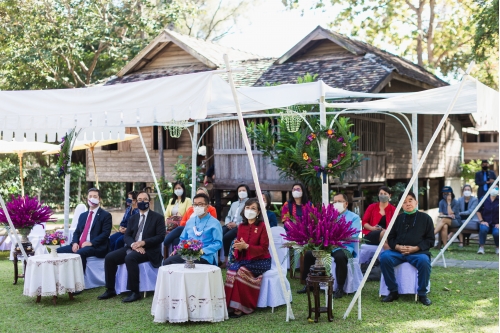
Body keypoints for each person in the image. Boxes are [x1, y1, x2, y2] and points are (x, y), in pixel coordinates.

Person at [98, 191, 165, 303]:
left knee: (130, 258)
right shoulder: (133, 218)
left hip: (150, 249)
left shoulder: (158, 217)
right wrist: (134, 245)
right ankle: (110, 289)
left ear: (149, 201)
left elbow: (160, 237)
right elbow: (127, 236)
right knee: (110, 257)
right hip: (133, 247)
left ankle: (135, 292)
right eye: (139, 200)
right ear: (136, 202)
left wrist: (143, 243)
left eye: (145, 199)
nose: (142, 202)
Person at [297, 193, 361, 298]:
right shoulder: (330, 216)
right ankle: (309, 284)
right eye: (334, 202)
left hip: (344, 247)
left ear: (346, 204)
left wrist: (337, 243)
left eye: (339, 201)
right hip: (327, 245)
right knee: (309, 254)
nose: (336, 204)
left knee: (340, 257)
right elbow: (322, 231)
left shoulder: (354, 217)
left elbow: (353, 235)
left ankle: (340, 287)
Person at [379, 191, 434, 306]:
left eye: (410, 200)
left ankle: (422, 294)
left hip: (417, 253)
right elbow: (391, 237)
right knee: (384, 257)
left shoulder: (426, 218)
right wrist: (397, 247)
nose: (407, 204)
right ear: (400, 205)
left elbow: (430, 240)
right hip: (398, 252)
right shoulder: (397, 218)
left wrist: (416, 248)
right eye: (404, 202)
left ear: (416, 202)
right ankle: (393, 291)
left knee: (424, 261)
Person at [225, 198, 271, 318]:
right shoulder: (241, 227)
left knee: (241, 272)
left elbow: (264, 248)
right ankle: (229, 305)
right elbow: (239, 248)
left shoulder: (262, 226)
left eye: (253, 208)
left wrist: (247, 246)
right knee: (231, 271)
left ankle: (242, 307)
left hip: (261, 260)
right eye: (247, 208)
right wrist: (239, 248)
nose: (249, 210)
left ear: (259, 212)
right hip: (244, 259)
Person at [57, 188, 112, 277]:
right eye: (90, 196)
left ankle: (78, 282)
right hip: (79, 244)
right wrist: (75, 243)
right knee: (57, 251)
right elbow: (77, 232)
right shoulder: (83, 215)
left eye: (95, 196)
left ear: (99, 199)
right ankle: (63, 278)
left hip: (96, 246)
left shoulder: (106, 215)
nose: (92, 198)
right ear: (87, 198)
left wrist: (91, 243)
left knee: (80, 253)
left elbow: (105, 234)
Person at [163, 193, 222, 265]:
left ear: (207, 206)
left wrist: (202, 251)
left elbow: (218, 243)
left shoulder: (215, 223)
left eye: (200, 204)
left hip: (204, 256)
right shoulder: (190, 221)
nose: (197, 207)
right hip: (187, 254)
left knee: (188, 265)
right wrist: (177, 249)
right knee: (167, 262)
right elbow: (183, 239)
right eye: (195, 205)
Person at [163, 187, 217, 252]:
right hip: (188, 230)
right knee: (176, 240)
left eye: (202, 195)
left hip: (201, 231)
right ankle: (176, 252)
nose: (200, 197)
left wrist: (192, 225)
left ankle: (165, 242)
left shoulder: (211, 209)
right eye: (198, 195)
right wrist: (190, 225)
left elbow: (211, 224)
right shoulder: (191, 209)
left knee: (179, 229)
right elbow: (182, 222)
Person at [220, 184, 251, 268]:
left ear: (247, 192)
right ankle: (219, 259)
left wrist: (236, 224)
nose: (241, 192)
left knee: (227, 237)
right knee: (219, 234)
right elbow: (228, 216)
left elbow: (247, 218)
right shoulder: (234, 203)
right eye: (239, 191)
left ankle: (226, 261)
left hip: (240, 226)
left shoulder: (249, 203)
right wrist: (227, 223)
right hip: (230, 224)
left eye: (243, 190)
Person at [476, 185, 499, 254]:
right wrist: (481, 221)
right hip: (485, 222)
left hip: (496, 223)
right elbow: (478, 211)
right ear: (489, 189)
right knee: (483, 229)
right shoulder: (483, 199)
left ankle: (498, 248)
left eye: (496, 188)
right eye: (493, 188)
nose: (494, 189)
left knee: (497, 232)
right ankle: (481, 247)